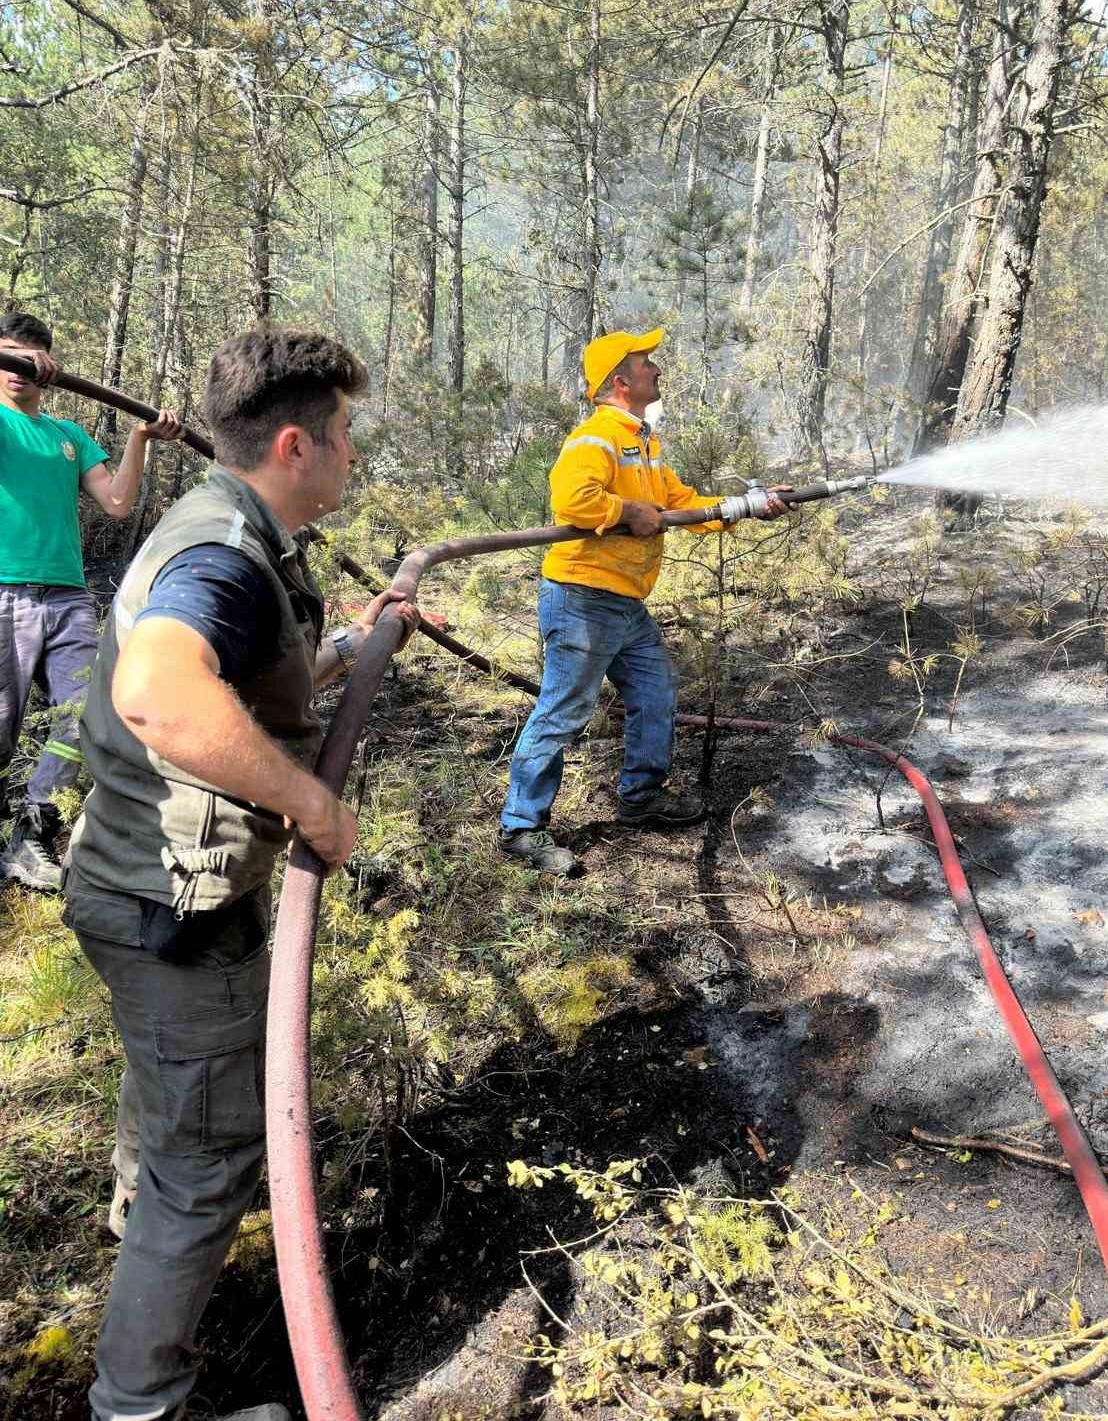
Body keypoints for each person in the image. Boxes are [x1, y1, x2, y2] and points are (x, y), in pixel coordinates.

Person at [62, 327, 424, 1421]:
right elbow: (161, 694)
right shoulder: (222, 551)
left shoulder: (236, 533)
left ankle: (146, 1222)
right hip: (172, 908)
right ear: (295, 443)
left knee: (169, 1110)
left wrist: (351, 646)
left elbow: (241, 674)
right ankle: (139, 1401)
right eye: (347, 434)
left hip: (137, 886)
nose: (355, 453)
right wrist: (312, 802)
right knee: (209, 1152)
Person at [498, 326, 790, 876]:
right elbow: (572, 498)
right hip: (584, 599)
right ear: (620, 381)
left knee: (656, 690)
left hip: (624, 602)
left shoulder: (643, 442)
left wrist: (747, 505)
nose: (657, 370)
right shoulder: (597, 437)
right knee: (563, 712)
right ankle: (521, 828)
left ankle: (640, 798)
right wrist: (628, 513)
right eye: (647, 363)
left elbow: (681, 503)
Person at [0, 311, 183, 891]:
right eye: (10, 357)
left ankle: (32, 829)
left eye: (30, 359)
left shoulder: (67, 437)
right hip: (4, 591)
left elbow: (120, 502)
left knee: (84, 716)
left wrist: (140, 438)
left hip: (69, 596)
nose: (21, 370)